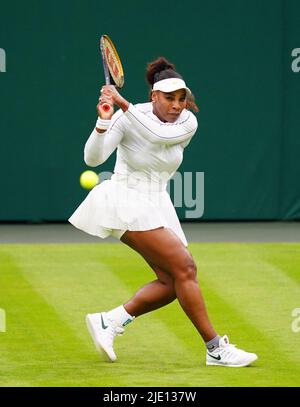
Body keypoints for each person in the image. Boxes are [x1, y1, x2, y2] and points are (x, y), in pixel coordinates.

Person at [69, 57, 258, 367]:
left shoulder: (186, 122)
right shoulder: (129, 117)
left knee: (171, 283)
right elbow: (93, 159)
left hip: (156, 202)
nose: (176, 104)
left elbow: (158, 135)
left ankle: (109, 321)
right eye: (169, 98)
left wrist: (123, 105)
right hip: (125, 199)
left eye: (181, 98)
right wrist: (104, 121)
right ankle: (216, 348)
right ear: (153, 96)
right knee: (185, 267)